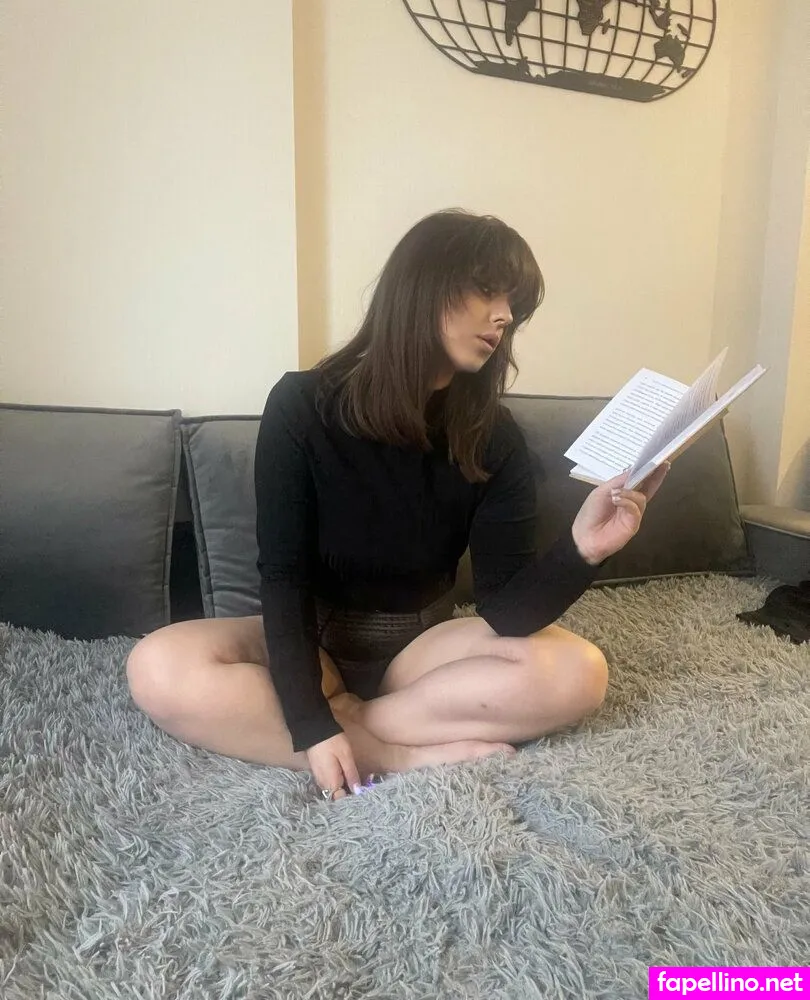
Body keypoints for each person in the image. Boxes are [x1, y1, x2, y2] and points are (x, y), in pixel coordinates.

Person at [126, 209, 669, 802]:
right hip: (313, 640)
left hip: (420, 655)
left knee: (582, 672)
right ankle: (394, 753)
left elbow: (507, 612)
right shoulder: (302, 405)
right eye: (488, 291)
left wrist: (583, 549)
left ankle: (358, 724)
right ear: (422, 286)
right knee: (155, 665)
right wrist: (310, 719)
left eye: (514, 304)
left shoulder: (494, 437)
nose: (505, 316)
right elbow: (283, 577)